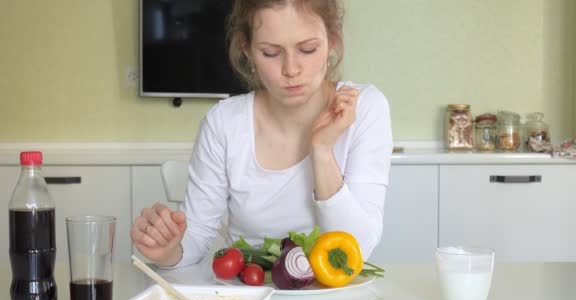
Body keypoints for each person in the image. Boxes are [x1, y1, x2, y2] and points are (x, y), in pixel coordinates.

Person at [130, 0, 393, 268]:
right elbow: (196, 236)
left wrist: (322, 151)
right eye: (270, 53)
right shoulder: (223, 123)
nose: (291, 69)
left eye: (307, 49)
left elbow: (356, 249)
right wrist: (168, 251)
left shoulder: (365, 108)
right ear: (247, 49)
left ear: (332, 43)